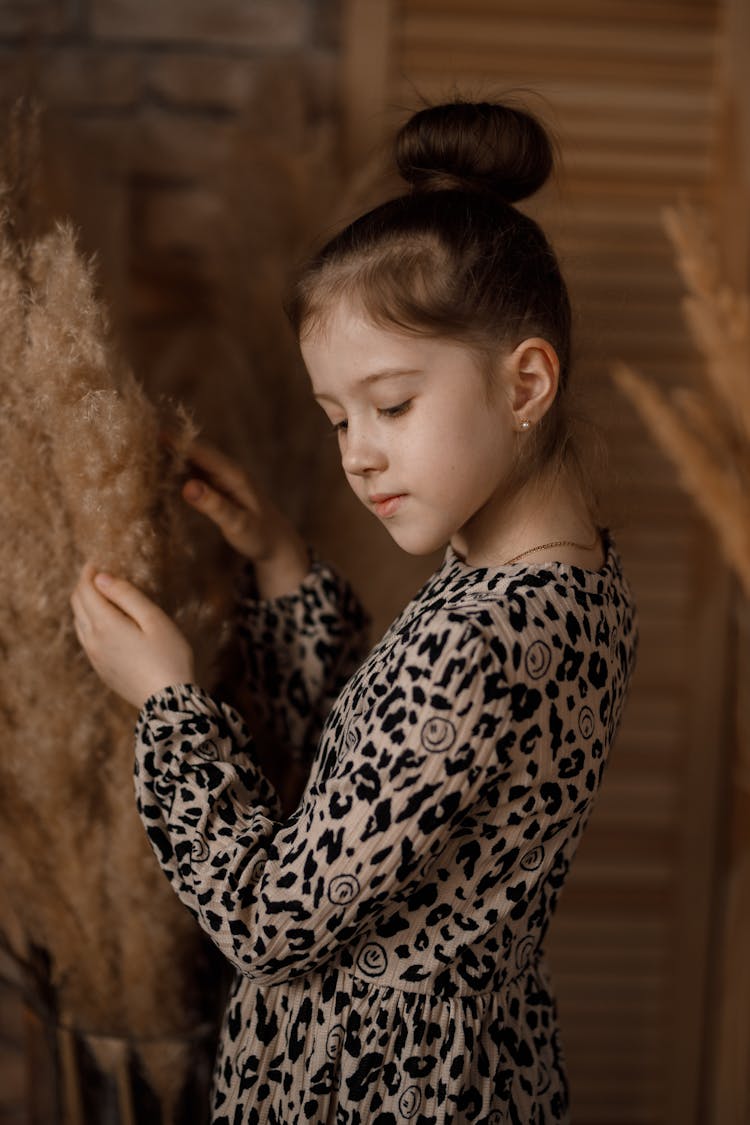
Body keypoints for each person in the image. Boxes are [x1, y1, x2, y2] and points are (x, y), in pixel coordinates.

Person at [71, 100, 639, 1125]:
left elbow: (276, 918)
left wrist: (168, 705)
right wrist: (283, 560)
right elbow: (385, 778)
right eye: (338, 418)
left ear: (526, 383)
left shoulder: (488, 633)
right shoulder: (562, 586)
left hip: (372, 1088)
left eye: (392, 404)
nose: (359, 452)